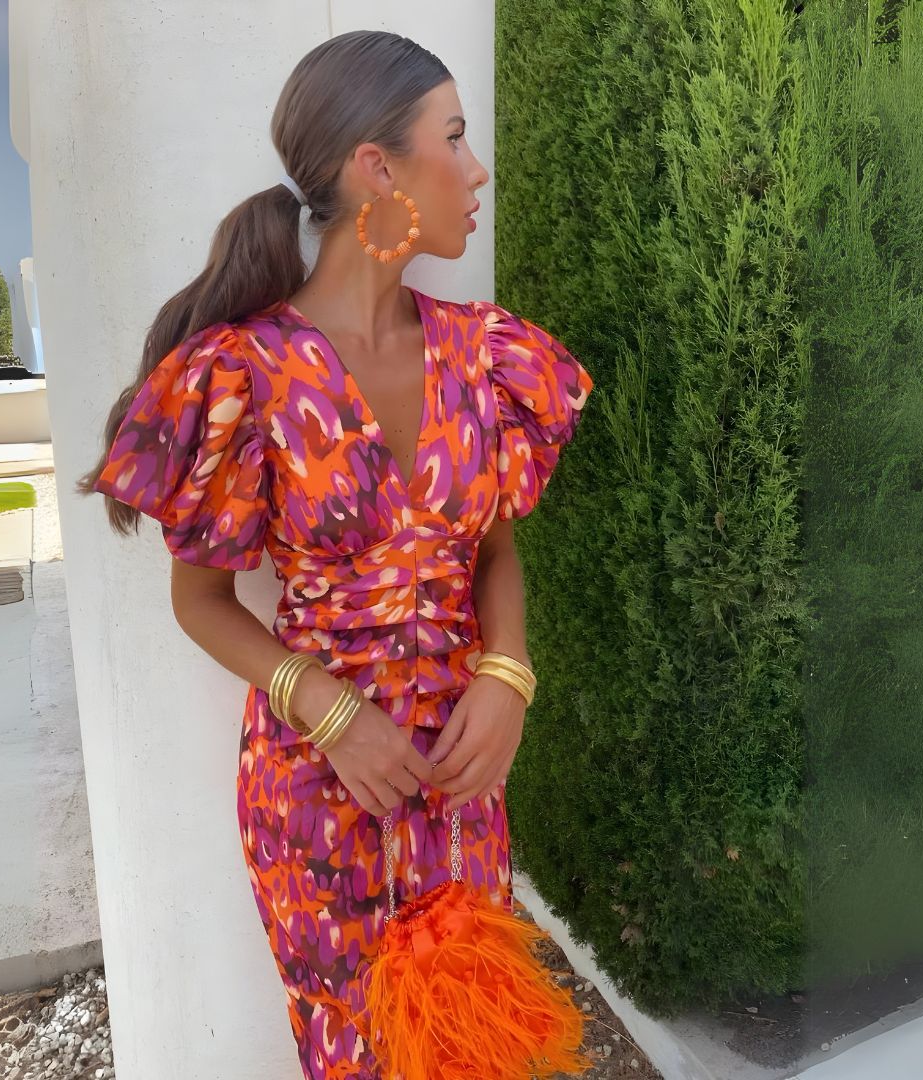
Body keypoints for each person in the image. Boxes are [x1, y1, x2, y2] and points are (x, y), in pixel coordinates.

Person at [77, 29, 593, 1080]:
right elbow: (200, 600)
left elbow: (493, 547)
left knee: (475, 1041)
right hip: (318, 789)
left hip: (461, 776)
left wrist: (508, 674)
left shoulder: (485, 353)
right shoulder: (244, 374)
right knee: (355, 1050)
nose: (477, 170)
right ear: (377, 168)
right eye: (455, 137)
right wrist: (328, 708)